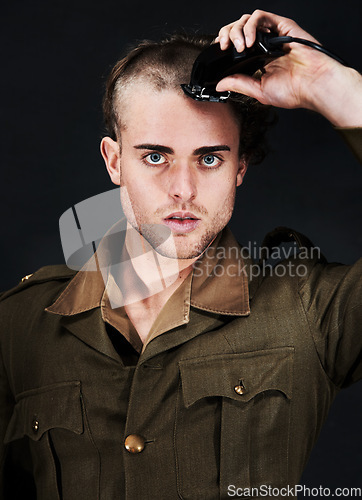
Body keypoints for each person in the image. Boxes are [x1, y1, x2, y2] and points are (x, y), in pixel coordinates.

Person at [0, 9, 361, 500]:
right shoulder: (18, 324)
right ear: (114, 161)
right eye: (155, 156)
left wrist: (334, 86)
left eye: (209, 158)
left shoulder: (313, 309)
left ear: (240, 167)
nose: (183, 190)